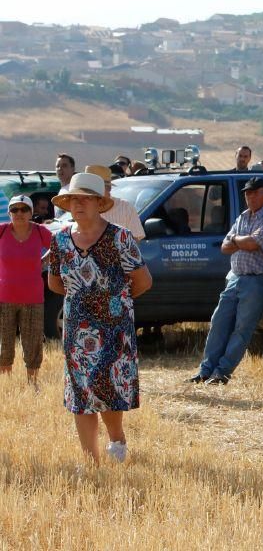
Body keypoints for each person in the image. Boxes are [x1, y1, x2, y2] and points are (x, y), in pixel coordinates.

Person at [47, 173, 152, 464]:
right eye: (72, 199)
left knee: (108, 386)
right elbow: (55, 283)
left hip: (114, 330)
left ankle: (117, 443)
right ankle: (90, 460)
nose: (77, 203)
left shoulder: (120, 237)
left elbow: (143, 281)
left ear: (98, 202)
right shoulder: (60, 240)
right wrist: (81, 298)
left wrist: (114, 304)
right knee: (81, 393)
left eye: (84, 198)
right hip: (76, 330)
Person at [187, 177, 263, 384]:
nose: (250, 196)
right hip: (235, 277)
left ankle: (222, 371)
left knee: (242, 328)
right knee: (218, 323)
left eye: (255, 192)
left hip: (258, 280)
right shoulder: (243, 216)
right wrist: (241, 241)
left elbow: (253, 243)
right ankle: (205, 370)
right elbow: (224, 246)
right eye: (248, 193)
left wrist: (237, 240)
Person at [0, 195, 52, 384]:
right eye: (15, 209)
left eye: (24, 209)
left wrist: (44, 260)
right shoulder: (2, 231)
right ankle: (6, 385)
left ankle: (32, 383)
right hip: (4, 297)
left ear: (31, 212)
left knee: (33, 343)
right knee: (5, 344)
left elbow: (59, 246)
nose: (19, 213)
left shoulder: (40, 232)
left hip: (33, 297)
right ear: (9, 213)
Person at [85, 165, 145, 241]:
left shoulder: (125, 207)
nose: (91, 193)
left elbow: (136, 240)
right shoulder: (82, 207)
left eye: (95, 188)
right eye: (88, 189)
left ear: (109, 188)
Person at [54, 153, 75, 218]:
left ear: (73, 169)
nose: (60, 168)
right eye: (58, 166)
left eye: (64, 165)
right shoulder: (62, 190)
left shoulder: (74, 191)